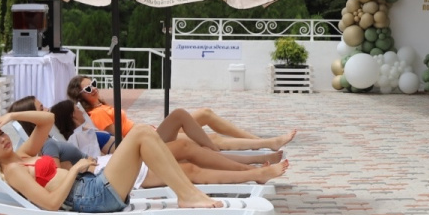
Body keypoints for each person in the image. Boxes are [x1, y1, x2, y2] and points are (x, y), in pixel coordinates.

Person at [0, 110, 225, 212]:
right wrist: (75, 170)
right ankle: (187, 195)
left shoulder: (23, 154)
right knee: (141, 134)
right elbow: (50, 204)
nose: (3, 139)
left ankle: (188, 194)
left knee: (144, 134)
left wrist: (12, 115)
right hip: (89, 196)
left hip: (92, 185)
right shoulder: (14, 171)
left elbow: (47, 119)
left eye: (1, 133)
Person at [66, 75, 296, 152]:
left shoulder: (101, 107)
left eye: (94, 84)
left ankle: (259, 142)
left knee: (205, 113)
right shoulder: (98, 114)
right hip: (148, 139)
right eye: (88, 89)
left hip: (151, 132)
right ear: (80, 96)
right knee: (210, 138)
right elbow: (120, 141)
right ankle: (266, 143)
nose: (94, 88)